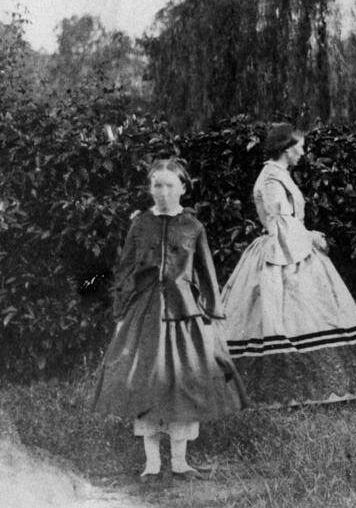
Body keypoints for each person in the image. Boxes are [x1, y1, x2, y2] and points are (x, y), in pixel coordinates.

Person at [92, 158, 246, 481]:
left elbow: (206, 273)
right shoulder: (140, 225)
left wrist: (214, 315)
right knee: (147, 383)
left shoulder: (193, 227)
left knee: (184, 384)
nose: (162, 192)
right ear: (150, 189)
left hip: (185, 313)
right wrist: (121, 312)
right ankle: (152, 463)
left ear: (183, 189)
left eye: (170, 186)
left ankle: (179, 461)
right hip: (145, 315)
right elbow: (125, 271)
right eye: (156, 185)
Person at [220, 123, 356, 407]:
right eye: (300, 147)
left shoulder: (279, 174)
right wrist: (310, 236)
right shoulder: (270, 178)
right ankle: (284, 389)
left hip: (292, 246)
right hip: (282, 252)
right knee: (282, 314)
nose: (303, 152)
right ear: (286, 148)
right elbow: (280, 223)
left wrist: (305, 236)